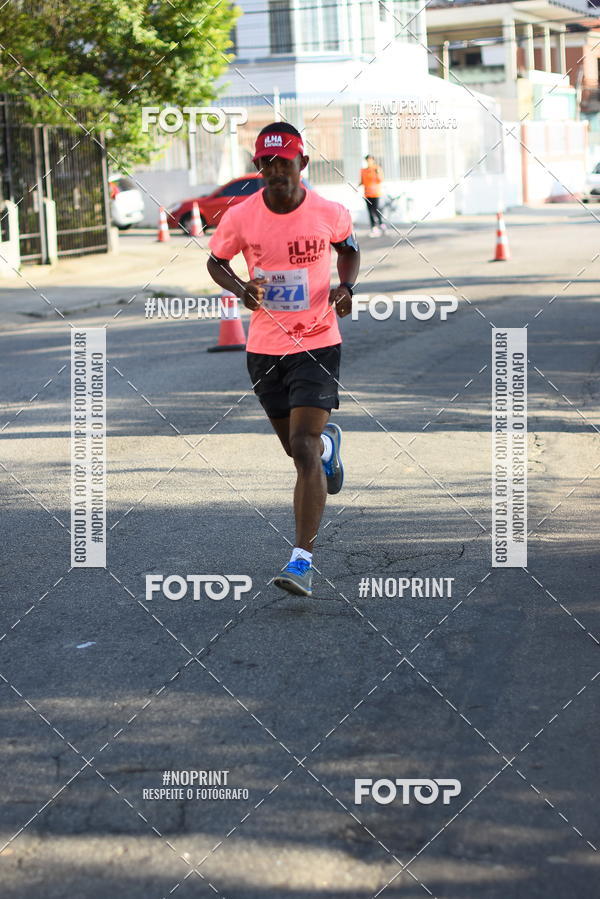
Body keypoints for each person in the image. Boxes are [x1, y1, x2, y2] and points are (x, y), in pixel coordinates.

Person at [206, 122, 360, 598]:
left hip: (317, 341)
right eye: (266, 163)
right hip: (265, 349)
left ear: (302, 164)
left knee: (304, 444)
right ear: (258, 167)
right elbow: (216, 261)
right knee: (297, 451)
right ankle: (328, 450)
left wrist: (345, 286)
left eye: (284, 161)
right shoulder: (241, 217)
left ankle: (302, 561)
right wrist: (241, 290)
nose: (275, 170)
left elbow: (349, 249)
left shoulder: (328, 212)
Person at [359, 155, 385, 237]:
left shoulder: (377, 169)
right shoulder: (363, 170)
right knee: (370, 211)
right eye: (368, 160)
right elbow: (362, 181)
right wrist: (356, 187)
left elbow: (380, 180)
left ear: (373, 160)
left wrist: (377, 173)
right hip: (367, 194)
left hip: (376, 193)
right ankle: (373, 227)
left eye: (371, 160)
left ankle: (381, 224)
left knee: (376, 209)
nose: (369, 162)